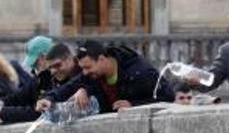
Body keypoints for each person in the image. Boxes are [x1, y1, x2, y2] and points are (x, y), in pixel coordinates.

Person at [36, 40, 172, 114]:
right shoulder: (92, 73)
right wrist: (49, 98)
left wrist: (134, 105)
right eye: (82, 68)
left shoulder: (140, 71)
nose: (84, 73)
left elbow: (168, 96)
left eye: (88, 68)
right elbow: (70, 86)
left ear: (101, 59)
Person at [0, 42, 82, 124]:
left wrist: (4, 113)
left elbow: (44, 111)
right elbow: (21, 96)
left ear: (70, 59)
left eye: (57, 65)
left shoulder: (81, 77)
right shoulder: (46, 77)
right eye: (50, 67)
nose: (53, 71)